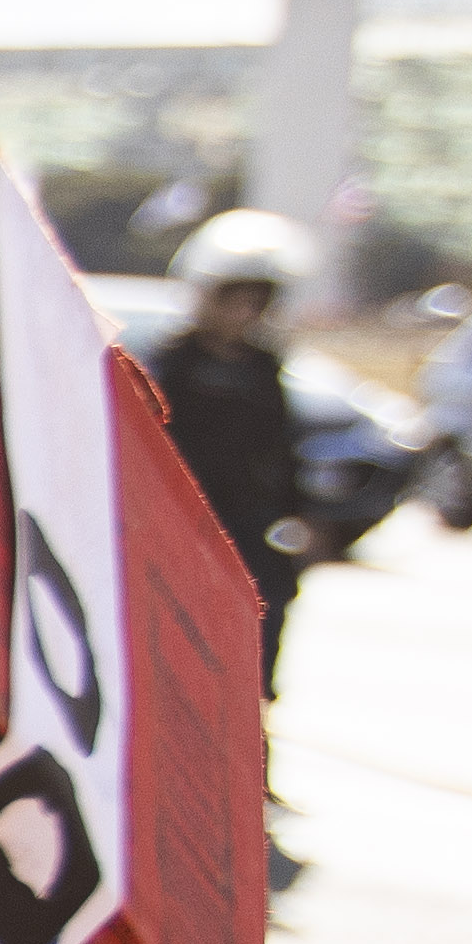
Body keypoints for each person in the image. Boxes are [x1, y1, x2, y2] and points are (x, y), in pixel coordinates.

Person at [154, 210, 317, 688]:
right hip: (185, 525)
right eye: (234, 303)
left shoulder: (263, 370)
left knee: (262, 613)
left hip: (250, 527)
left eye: (255, 305)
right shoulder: (174, 367)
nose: (244, 316)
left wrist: (298, 513)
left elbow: (281, 447)